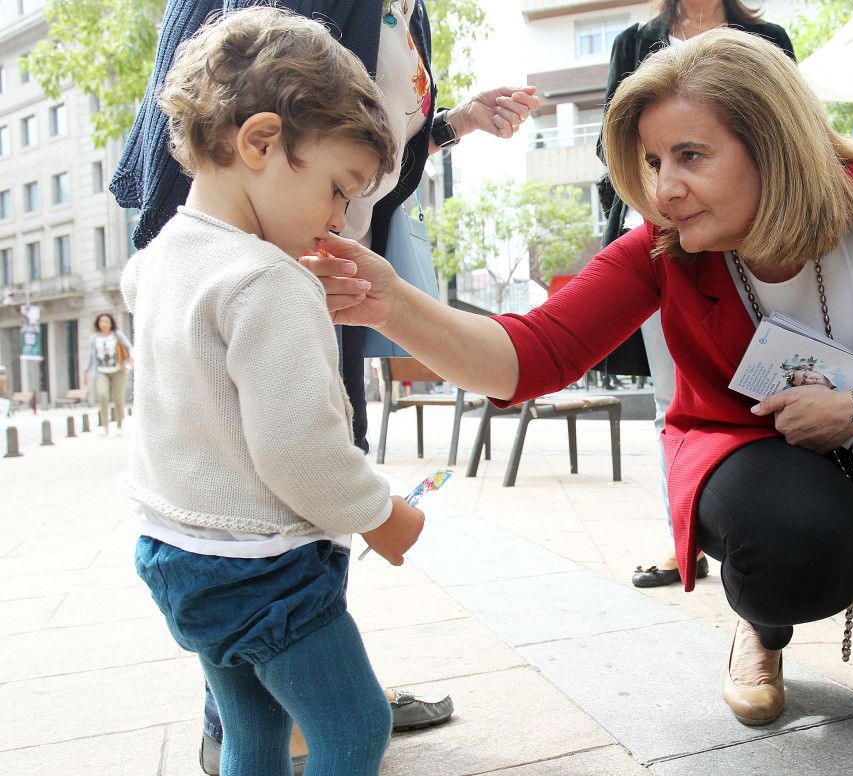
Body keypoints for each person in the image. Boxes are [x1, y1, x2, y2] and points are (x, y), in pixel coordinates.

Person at [306, 29, 853, 750]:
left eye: (689, 156)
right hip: (753, 452)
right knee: (800, 554)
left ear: (774, 146)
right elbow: (531, 355)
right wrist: (395, 304)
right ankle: (763, 629)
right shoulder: (661, 245)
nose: (664, 189)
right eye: (652, 163)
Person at [112, 2, 537, 769]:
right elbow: (296, 451)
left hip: (175, 551)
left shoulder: (162, 257)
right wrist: (382, 516)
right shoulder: (267, 281)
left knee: (253, 730)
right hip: (262, 569)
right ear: (262, 142)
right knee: (352, 728)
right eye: (340, 189)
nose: (342, 220)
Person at [600, 0, 795, 589]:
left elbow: (794, 136)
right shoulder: (636, 41)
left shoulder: (767, 37)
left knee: (782, 383)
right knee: (672, 399)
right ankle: (683, 536)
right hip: (669, 243)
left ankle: (794, 530)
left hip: (764, 241)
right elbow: (613, 149)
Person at [83, 313, 134, 435]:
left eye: (106, 321)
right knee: (103, 395)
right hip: (101, 371)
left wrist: (132, 360)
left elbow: (129, 347)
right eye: (101, 321)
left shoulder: (117, 335)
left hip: (118, 370)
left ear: (111, 323)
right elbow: (90, 356)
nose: (103, 324)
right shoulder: (94, 338)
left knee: (118, 398)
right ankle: (105, 426)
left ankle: (119, 426)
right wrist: (85, 371)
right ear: (98, 324)